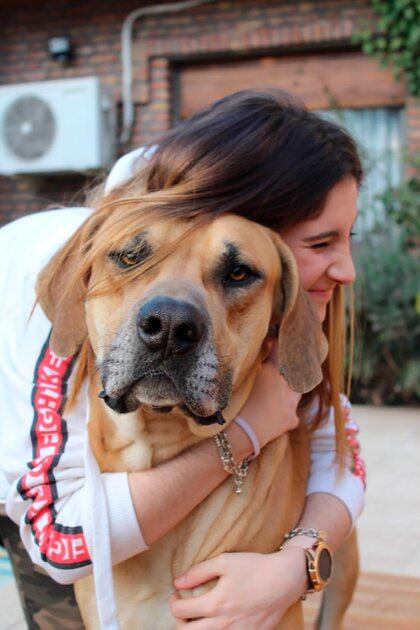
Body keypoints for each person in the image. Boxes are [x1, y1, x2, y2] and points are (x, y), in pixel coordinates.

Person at [0, 89, 365, 629]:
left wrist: (297, 567)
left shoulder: (277, 304)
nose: (348, 270)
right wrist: (245, 430)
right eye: (320, 243)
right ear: (240, 211)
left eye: (347, 238)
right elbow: (60, 543)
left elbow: (335, 440)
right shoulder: (64, 294)